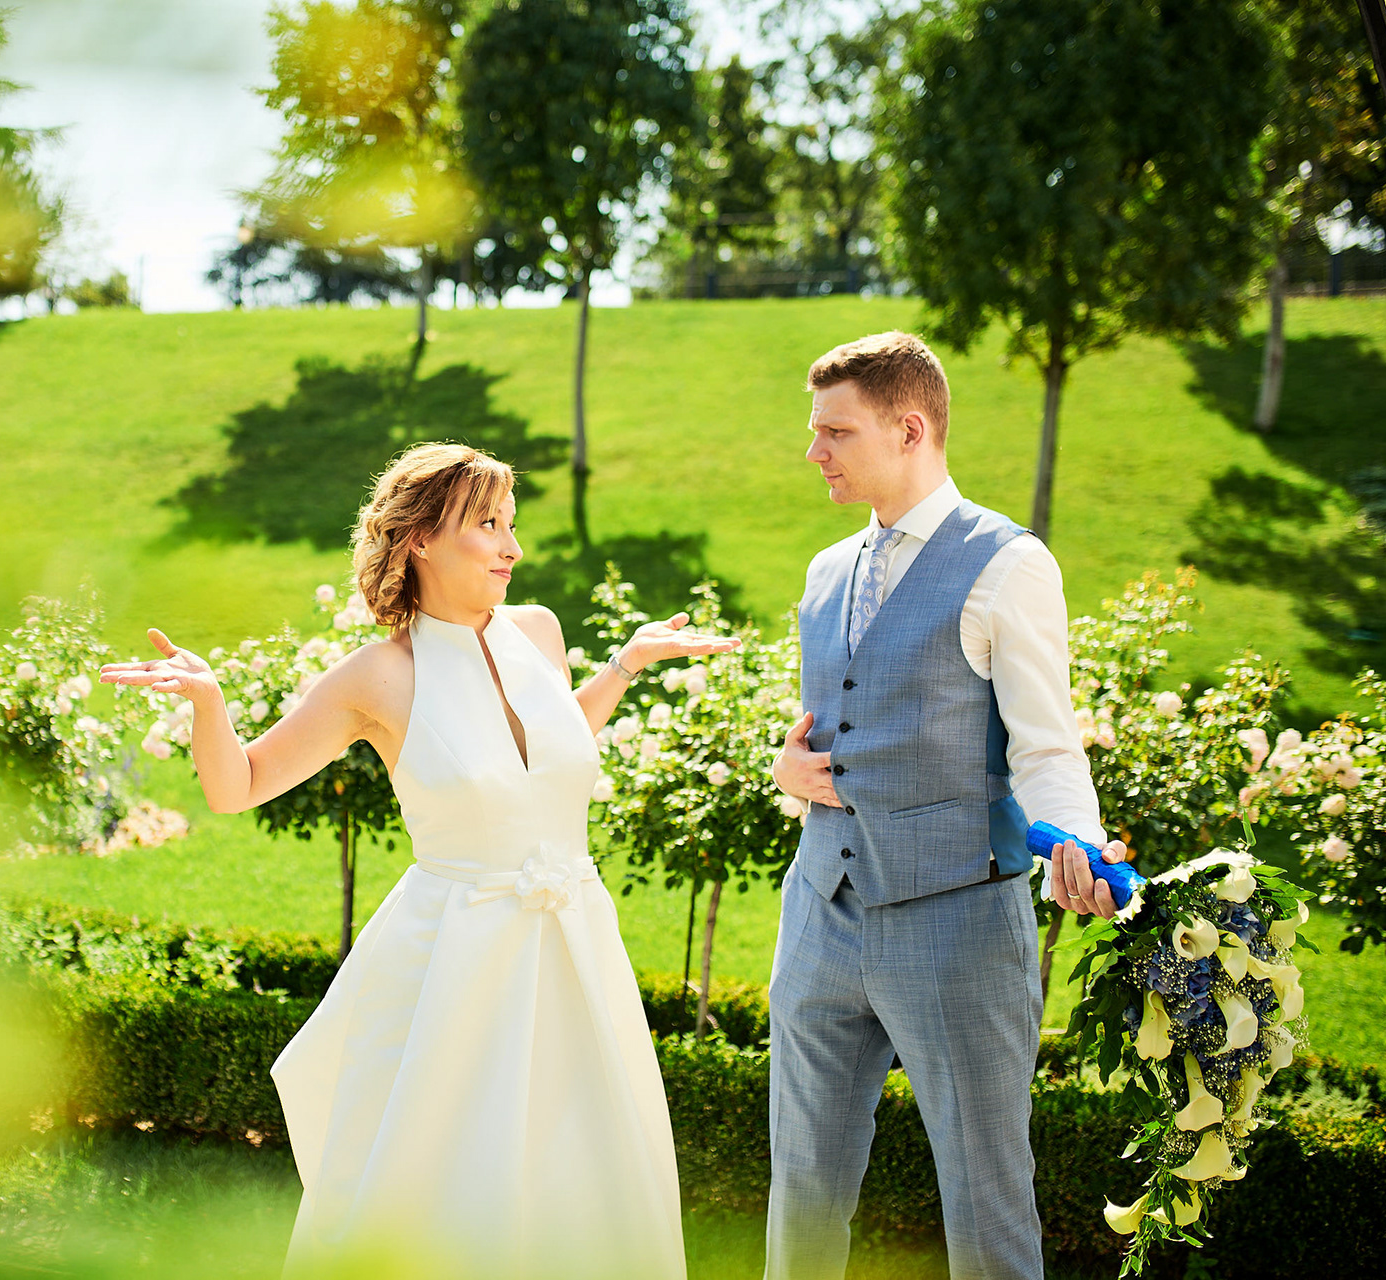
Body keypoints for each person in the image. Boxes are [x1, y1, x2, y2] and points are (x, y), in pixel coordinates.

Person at [100, 443, 736, 1279]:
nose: (512, 547)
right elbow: (238, 785)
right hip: (457, 965)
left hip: (577, 945)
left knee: (587, 1178)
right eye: (488, 525)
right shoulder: (376, 677)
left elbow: (545, 755)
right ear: (421, 539)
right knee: (449, 1189)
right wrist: (209, 702)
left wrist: (625, 665)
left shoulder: (539, 631)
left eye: (512, 524)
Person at [765, 332, 1131, 1280]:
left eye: (837, 432)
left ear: (910, 429)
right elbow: (839, 722)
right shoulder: (826, 571)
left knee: (985, 1204)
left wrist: (1077, 846)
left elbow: (1046, 743)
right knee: (801, 1196)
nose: (814, 451)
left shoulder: (1009, 564)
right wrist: (787, 768)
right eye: (816, 430)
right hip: (820, 914)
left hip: (957, 924)